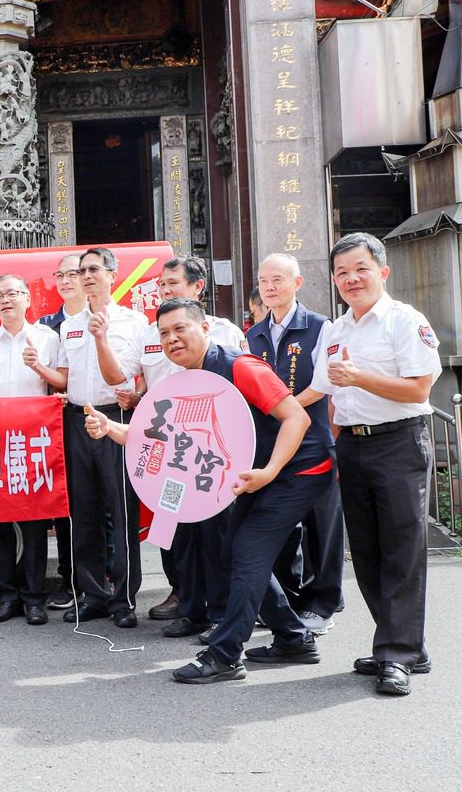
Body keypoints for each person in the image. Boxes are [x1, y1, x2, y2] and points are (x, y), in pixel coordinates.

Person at [85, 299, 331, 685]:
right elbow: (163, 436)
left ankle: (225, 654)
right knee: (234, 550)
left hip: (297, 469)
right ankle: (293, 639)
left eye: (180, 329)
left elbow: (296, 418)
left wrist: (270, 471)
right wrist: (111, 428)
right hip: (255, 475)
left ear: (204, 329)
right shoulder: (186, 379)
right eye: (164, 333)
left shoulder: (240, 366)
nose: (171, 339)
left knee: (247, 551)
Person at [308, 233, 441, 696]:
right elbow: (330, 395)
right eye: (342, 272)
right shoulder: (335, 330)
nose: (351, 279)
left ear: (382, 271)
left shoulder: (405, 321)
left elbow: (420, 388)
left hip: (400, 443)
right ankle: (402, 645)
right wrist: (334, 446)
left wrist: (360, 377)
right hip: (353, 446)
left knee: (402, 551)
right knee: (366, 552)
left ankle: (397, 653)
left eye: (360, 269)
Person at [127, 256, 245, 627]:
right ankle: (186, 601)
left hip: (210, 451)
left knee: (215, 530)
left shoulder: (225, 333)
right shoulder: (150, 333)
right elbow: (140, 383)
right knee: (175, 530)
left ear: (197, 287)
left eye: (172, 283)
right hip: (168, 449)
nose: (164, 290)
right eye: (161, 284)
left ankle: (223, 610)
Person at [53, 247, 149, 628]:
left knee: (122, 510)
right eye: (82, 271)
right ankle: (93, 594)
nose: (87, 276)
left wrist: (136, 396)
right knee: (84, 512)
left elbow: (140, 375)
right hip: (78, 421)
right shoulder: (68, 325)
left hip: (117, 419)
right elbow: (65, 376)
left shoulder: (135, 322)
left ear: (113, 274)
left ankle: (123, 599)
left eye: (94, 269)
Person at [252, 252, 345, 635]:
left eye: (277, 280)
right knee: (280, 526)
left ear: (297, 283)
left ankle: (323, 605)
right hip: (273, 445)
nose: (269, 288)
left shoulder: (320, 327)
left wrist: (283, 408)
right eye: (263, 281)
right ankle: (288, 602)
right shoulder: (254, 334)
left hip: (312, 442)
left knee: (323, 528)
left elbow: (323, 385)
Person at [0, 275, 63, 627]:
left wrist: (38, 366)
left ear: (27, 299)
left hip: (33, 441)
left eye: (12, 294)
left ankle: (34, 598)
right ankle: (7, 596)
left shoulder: (48, 338)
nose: (5, 300)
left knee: (34, 522)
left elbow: (62, 383)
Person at [38, 253, 85, 611]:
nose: (66, 281)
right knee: (64, 504)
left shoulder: (100, 319)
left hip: (93, 417)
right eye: (60, 275)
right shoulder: (45, 327)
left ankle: (105, 577)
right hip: (56, 422)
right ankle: (70, 580)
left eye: (73, 274)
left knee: (101, 504)